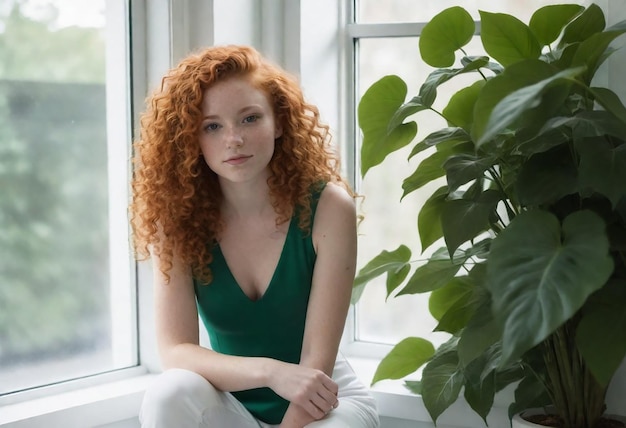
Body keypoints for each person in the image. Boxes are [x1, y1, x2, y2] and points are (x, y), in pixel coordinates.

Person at [130, 45, 380, 428]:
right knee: (169, 393)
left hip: (324, 404)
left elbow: (315, 365)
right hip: (231, 404)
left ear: (279, 123)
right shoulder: (178, 219)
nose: (234, 139)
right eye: (212, 126)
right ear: (190, 139)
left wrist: (289, 390)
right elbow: (177, 351)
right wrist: (270, 372)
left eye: (249, 119)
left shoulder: (329, 208)